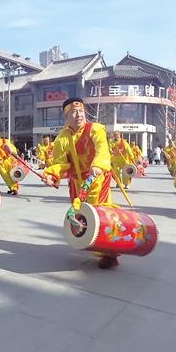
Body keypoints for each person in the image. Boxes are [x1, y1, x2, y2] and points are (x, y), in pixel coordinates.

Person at [42, 98, 120, 269]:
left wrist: (98, 165)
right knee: (82, 215)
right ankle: (98, 244)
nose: (79, 115)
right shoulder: (61, 139)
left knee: (97, 213)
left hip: (96, 177)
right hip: (77, 182)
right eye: (73, 112)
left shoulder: (95, 129)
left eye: (81, 111)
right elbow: (61, 164)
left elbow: (102, 149)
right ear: (66, 117)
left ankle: (108, 253)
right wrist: (52, 175)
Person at [0, 130, 20, 195]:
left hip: (9, 160)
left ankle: (14, 188)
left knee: (12, 175)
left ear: (0, 135)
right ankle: (12, 188)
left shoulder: (6, 141)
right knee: (5, 176)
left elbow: (12, 148)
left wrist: (14, 154)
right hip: (0, 162)